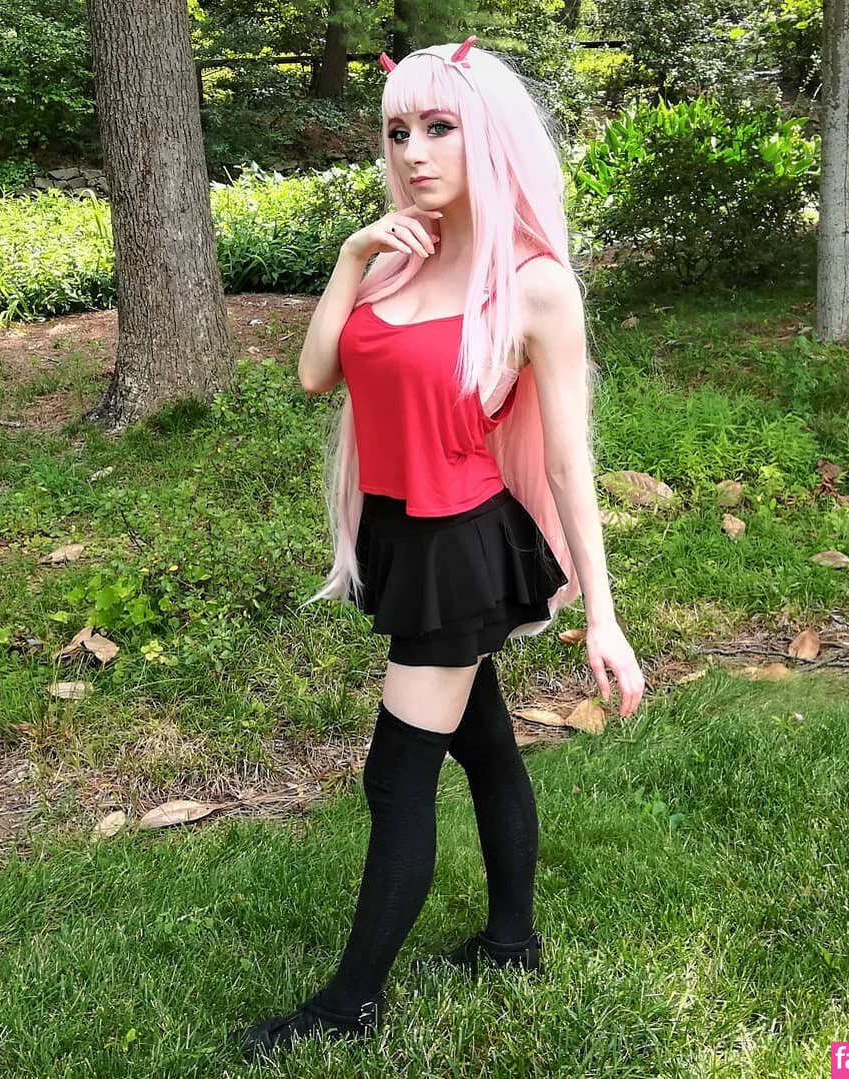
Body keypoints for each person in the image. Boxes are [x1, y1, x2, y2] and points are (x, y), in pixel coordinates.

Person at [232, 35, 644, 1062]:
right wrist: (351, 256)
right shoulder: (394, 258)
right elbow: (316, 374)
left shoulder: (534, 285)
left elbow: (568, 461)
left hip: (461, 549)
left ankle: (349, 1004)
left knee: (396, 776)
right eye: (398, 131)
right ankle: (511, 942)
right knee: (485, 742)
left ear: (487, 136)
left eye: (440, 127)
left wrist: (603, 615)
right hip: (400, 535)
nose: (414, 151)